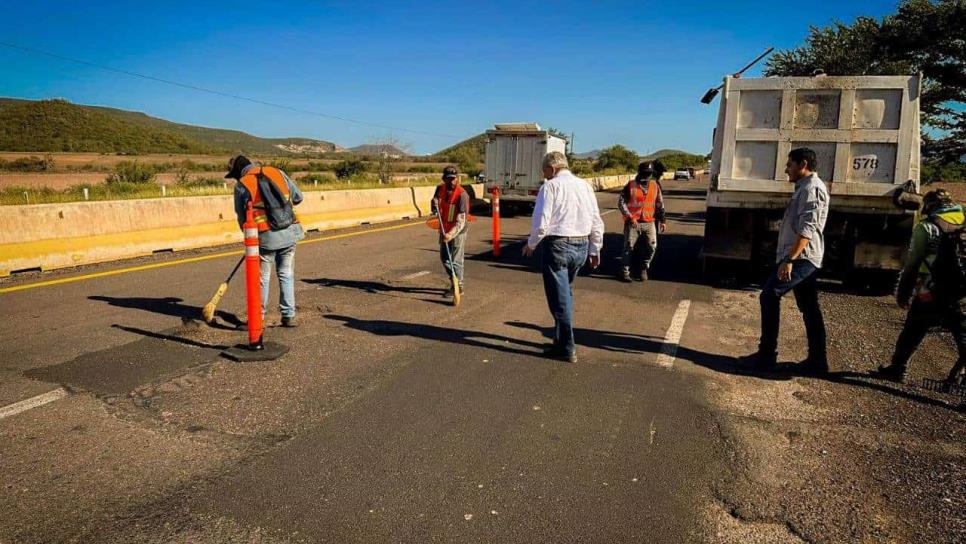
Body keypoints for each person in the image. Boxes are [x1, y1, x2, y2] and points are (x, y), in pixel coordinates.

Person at [741, 148, 829, 373]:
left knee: (770, 295)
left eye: (790, 164)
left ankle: (767, 354)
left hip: (802, 257)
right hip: (800, 255)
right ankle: (817, 361)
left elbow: (807, 230)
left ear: (803, 164)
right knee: (809, 307)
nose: (786, 169)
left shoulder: (812, 189)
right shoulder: (803, 188)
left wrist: (789, 259)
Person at [522, 151, 605, 363]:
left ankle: (567, 347)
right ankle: (559, 342)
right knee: (565, 294)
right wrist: (595, 249)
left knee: (559, 300)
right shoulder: (585, 186)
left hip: (558, 245)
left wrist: (531, 244)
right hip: (581, 245)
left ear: (552, 168)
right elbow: (596, 220)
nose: (545, 176)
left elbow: (542, 222)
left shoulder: (550, 187)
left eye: (545, 172)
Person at [878, 189, 966, 384]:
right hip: (961, 291)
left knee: (913, 328)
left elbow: (913, 264)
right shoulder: (963, 220)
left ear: (930, 206)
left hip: (931, 290)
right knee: (962, 337)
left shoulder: (926, 227)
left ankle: (897, 369)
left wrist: (903, 293)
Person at [228, 155, 305, 327]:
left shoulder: (242, 185)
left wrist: (250, 241)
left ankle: (258, 318)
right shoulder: (277, 172)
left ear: (238, 172)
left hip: (265, 237)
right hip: (290, 231)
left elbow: (242, 219)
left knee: (262, 278)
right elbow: (298, 197)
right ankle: (289, 315)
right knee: (286, 273)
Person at [617, 160, 667, 282]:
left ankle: (644, 267)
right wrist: (629, 217)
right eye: (646, 173)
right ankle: (625, 272)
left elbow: (659, 204)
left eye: (650, 173)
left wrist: (663, 220)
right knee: (628, 247)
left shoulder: (655, 186)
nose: (648, 175)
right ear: (640, 173)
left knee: (652, 246)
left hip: (649, 222)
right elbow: (621, 202)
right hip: (633, 222)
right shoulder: (631, 185)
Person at [431, 166, 470, 297]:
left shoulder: (462, 195)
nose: (452, 182)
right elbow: (435, 202)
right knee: (444, 258)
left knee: (456, 260)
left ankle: (458, 286)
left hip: (458, 231)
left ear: (457, 178)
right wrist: (434, 204)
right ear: (444, 179)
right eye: (449, 179)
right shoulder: (440, 188)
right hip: (444, 227)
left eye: (454, 179)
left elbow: (461, 221)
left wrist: (450, 234)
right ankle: (454, 280)